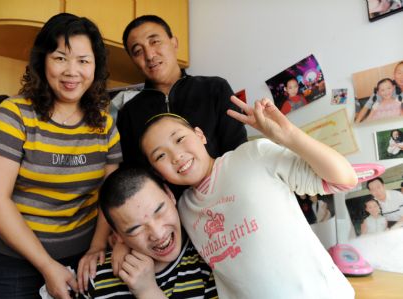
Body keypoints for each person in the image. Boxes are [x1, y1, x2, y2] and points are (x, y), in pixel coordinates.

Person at [139, 96, 358, 298]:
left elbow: (344, 179)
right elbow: (142, 228)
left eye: (179, 139)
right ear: (159, 173)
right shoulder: (183, 210)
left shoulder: (252, 155)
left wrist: (288, 135)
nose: (176, 156)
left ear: (200, 135)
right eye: (160, 155)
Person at [0, 13, 122, 299]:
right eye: (60, 58)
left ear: (96, 67)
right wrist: (46, 265)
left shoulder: (105, 124)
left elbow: (111, 193)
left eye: (83, 61)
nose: (72, 71)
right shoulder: (14, 114)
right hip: (12, 262)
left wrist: (97, 246)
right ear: (43, 61)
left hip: (81, 259)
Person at [116, 15, 247, 171]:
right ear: (133, 60)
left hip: (224, 190)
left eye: (155, 42)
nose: (150, 55)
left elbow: (237, 151)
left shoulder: (215, 88)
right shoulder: (129, 112)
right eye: (138, 51)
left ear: (174, 43)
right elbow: (134, 174)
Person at [87, 167, 217, 298]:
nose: (158, 234)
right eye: (136, 228)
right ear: (118, 235)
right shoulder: (93, 277)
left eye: (159, 211)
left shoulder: (211, 259)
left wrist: (148, 292)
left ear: (170, 195)